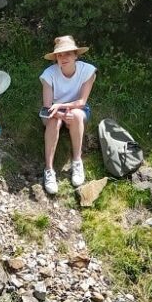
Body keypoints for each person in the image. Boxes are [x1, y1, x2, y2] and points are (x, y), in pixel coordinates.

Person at [39, 35, 97, 195]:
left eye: (68, 54)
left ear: (75, 55)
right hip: (53, 111)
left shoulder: (88, 71)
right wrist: (60, 113)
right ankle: (49, 170)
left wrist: (63, 107)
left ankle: (77, 162)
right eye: (59, 54)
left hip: (75, 109)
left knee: (78, 115)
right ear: (56, 58)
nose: (63, 58)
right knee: (53, 121)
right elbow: (47, 107)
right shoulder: (48, 74)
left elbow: (82, 102)